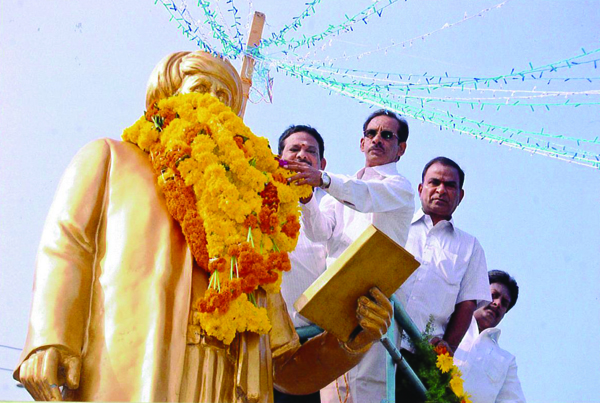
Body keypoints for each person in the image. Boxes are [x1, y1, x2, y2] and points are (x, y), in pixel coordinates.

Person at [14, 51, 394, 403]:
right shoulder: (114, 158)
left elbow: (286, 364)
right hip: (137, 375)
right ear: (166, 98)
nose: (212, 101)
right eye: (200, 88)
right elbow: (68, 243)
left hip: (223, 386)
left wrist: (353, 339)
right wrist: (49, 337)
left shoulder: (252, 228)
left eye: (224, 97)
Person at [284, 110, 415, 403]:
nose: (377, 140)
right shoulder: (340, 188)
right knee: (333, 391)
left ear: (401, 148)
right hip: (334, 305)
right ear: (361, 142)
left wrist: (322, 179)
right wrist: (307, 198)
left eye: (387, 135)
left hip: (374, 307)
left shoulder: (399, 188)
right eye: (371, 133)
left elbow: (365, 196)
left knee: (368, 389)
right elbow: (319, 232)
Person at [397, 157, 491, 355]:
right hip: (375, 339)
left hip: (420, 355)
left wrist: (445, 352)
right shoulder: (397, 223)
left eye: (449, 185)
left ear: (460, 195)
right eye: (434, 182)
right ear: (421, 188)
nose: (441, 190)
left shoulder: (470, 247)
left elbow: (467, 304)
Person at [275, 125, 328, 403]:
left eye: (311, 151)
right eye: (294, 149)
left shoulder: (334, 207)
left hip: (317, 346)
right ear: (279, 158)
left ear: (322, 164)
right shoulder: (259, 199)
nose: (302, 155)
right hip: (268, 342)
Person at [454, 270, 526, 403]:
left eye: (504, 303)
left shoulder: (506, 361)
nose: (497, 303)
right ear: (478, 293)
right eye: (494, 295)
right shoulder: (449, 322)